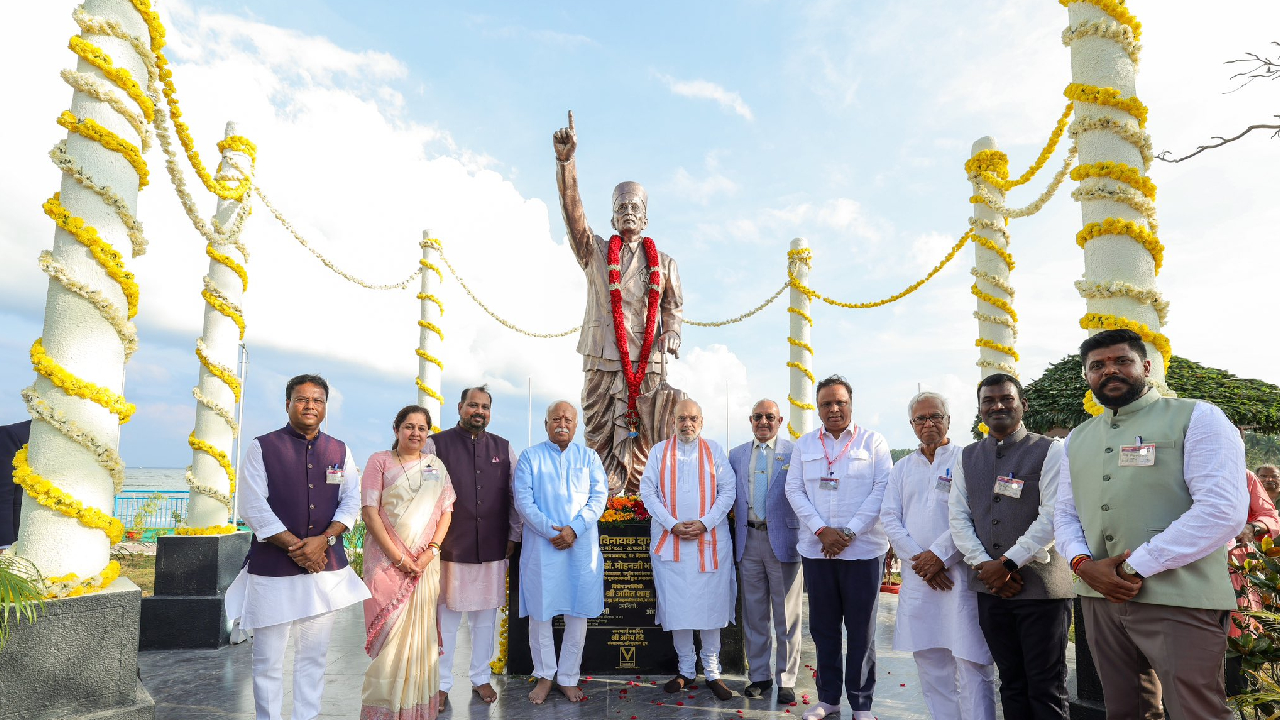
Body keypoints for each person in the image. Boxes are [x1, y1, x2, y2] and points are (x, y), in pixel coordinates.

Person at [1055, 328, 1249, 719]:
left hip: (1180, 596)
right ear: (1087, 377)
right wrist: (1082, 564)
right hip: (1100, 599)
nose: (1109, 371)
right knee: (1125, 710)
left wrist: (1132, 566)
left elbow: (1222, 509)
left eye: (1121, 361)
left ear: (1145, 366)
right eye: (1097, 366)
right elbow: (1065, 513)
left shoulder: (1198, 416)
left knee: (1197, 711)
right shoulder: (1078, 438)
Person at [554, 111, 686, 494]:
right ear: (612, 216)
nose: (628, 213)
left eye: (635, 208)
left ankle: (643, 498)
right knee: (598, 434)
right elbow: (572, 216)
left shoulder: (665, 263)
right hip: (603, 354)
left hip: (649, 358)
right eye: (622, 207)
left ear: (645, 218)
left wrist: (673, 332)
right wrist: (567, 163)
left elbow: (673, 309)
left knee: (647, 434)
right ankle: (603, 498)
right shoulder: (595, 252)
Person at [226, 374, 371, 720]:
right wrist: (298, 548)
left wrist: (323, 541)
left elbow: (351, 502)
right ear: (288, 404)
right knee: (267, 660)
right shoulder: (262, 447)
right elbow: (252, 506)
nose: (310, 406)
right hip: (272, 572)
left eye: (317, 400)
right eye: (302, 399)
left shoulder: (340, 450)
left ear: (325, 407)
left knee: (314, 658)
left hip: (324, 571)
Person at [949, 372, 1072, 720]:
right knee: (1012, 684)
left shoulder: (1049, 450)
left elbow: (1052, 515)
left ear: (1023, 406)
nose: (997, 405)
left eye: (1006, 399)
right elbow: (958, 516)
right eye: (988, 401)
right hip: (991, 590)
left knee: (1046, 687)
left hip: (1041, 588)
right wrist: (985, 566)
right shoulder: (967, 456)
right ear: (979, 409)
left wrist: (1007, 565)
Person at [881, 392, 996, 720]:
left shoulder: (968, 459)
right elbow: (889, 517)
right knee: (930, 662)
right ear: (912, 425)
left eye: (935, 416)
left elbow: (976, 513)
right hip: (919, 579)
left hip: (962, 576)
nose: (928, 423)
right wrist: (922, 560)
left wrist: (941, 557)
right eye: (921, 418)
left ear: (948, 420)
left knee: (971, 660)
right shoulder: (902, 468)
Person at [784, 375, 892, 720]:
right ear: (818, 408)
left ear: (851, 403)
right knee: (824, 629)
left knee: (862, 631)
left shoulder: (873, 443)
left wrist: (847, 532)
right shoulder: (804, 445)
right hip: (818, 552)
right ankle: (828, 700)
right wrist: (822, 531)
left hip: (863, 551)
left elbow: (882, 490)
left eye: (839, 402)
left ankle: (862, 704)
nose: (833, 409)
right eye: (826, 404)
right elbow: (794, 490)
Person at [359, 405, 456, 720]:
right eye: (409, 426)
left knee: (419, 641)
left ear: (428, 433)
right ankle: (385, 710)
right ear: (397, 429)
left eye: (422, 428)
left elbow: (447, 510)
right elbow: (369, 511)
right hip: (386, 563)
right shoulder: (380, 462)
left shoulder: (435, 465)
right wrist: (399, 557)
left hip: (425, 565)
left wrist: (430, 551)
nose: (415, 433)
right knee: (390, 639)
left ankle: (416, 711)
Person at [638, 398, 737, 701]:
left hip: (708, 543)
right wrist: (671, 524)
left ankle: (713, 671)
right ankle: (686, 670)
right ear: (673, 421)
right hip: (672, 543)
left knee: (710, 608)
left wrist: (705, 523)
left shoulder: (715, 451)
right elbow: (648, 491)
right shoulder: (659, 452)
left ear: (701, 421)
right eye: (682, 418)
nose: (687, 424)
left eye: (693, 418)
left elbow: (728, 490)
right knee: (678, 608)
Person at [513, 401, 609, 704]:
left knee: (577, 615)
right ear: (546, 424)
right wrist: (552, 531)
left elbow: (599, 497)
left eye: (568, 419)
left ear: (576, 425)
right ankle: (544, 674)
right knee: (540, 615)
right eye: (556, 419)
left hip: (579, 548)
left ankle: (568, 676)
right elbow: (524, 501)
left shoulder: (589, 457)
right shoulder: (530, 458)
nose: (562, 424)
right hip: (543, 548)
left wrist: (574, 530)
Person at [432, 386, 520, 705]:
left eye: (484, 406)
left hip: (494, 548)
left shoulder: (504, 448)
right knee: (447, 621)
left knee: (485, 619)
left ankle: (480, 676)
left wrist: (513, 535)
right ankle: (440, 683)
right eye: (473, 405)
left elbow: (515, 496)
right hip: (450, 549)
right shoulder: (436, 444)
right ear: (460, 407)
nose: (478, 411)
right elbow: (426, 497)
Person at [729, 399, 802, 705]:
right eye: (757, 416)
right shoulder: (736, 455)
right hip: (748, 539)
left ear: (780, 420)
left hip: (783, 540)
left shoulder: (794, 452)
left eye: (769, 417)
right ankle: (760, 675)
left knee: (787, 615)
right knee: (755, 614)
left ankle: (787, 678)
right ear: (750, 420)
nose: (763, 421)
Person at [1226, 469, 1280, 695]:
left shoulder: (1242, 475)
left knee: (1237, 635)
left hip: (1234, 565)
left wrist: (1252, 528)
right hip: (1178, 567)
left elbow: (1270, 516)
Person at [0, 420, 31, 549]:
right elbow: (4, 492)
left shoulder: (91, 435)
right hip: (23, 533)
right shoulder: (14, 433)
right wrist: (4, 543)